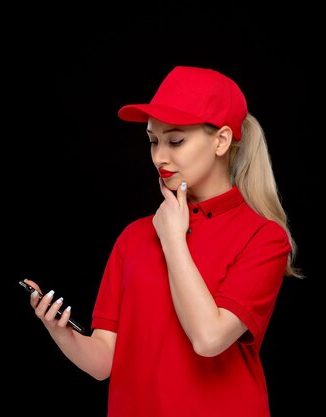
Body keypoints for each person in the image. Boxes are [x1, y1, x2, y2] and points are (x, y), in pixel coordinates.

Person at [23, 65, 303, 417]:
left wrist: (173, 239)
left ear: (221, 140)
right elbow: (104, 362)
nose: (159, 157)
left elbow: (208, 338)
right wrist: (62, 332)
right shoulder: (134, 237)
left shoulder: (264, 237)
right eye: (153, 141)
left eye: (175, 141)